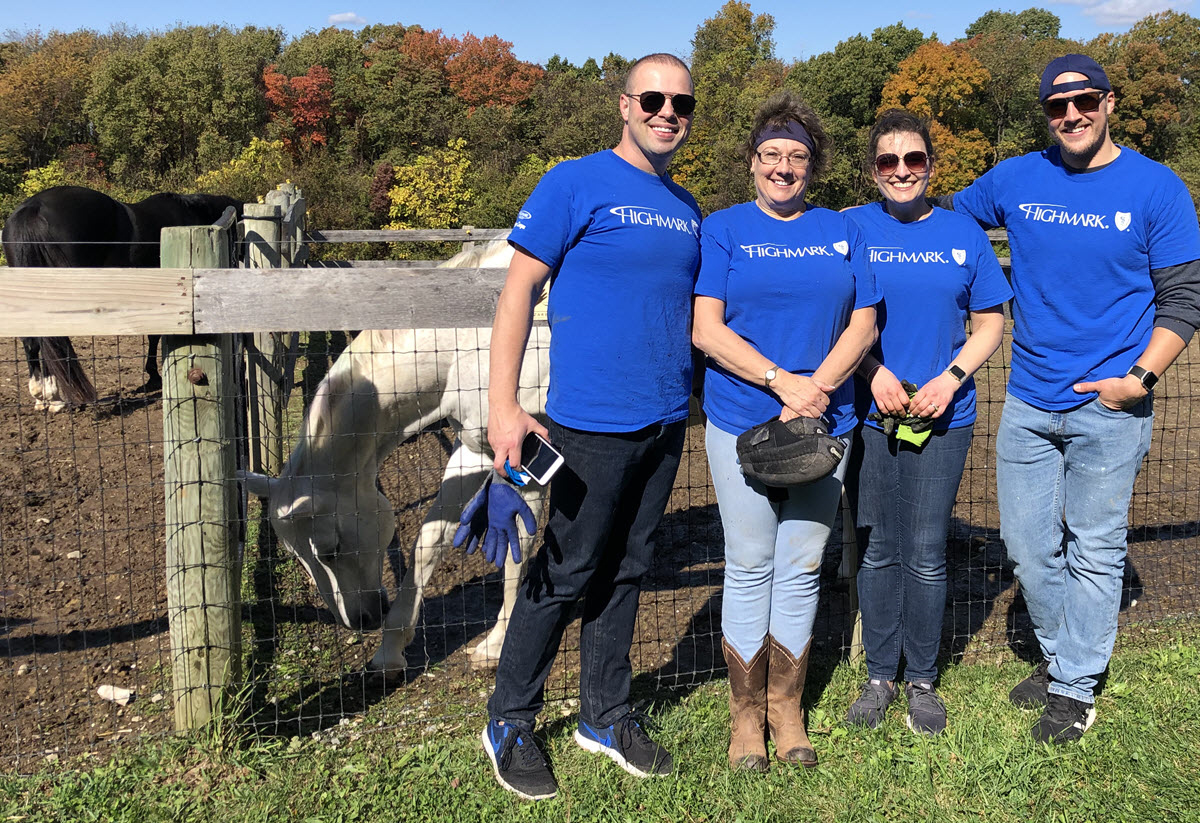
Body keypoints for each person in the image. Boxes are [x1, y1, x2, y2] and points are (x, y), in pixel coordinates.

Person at [943, 54, 1200, 743]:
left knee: (1094, 545)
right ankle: (1064, 658)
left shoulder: (1157, 189)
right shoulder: (1018, 177)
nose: (1072, 116)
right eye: (1058, 107)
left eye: (1084, 101)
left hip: (1109, 405)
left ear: (1109, 102)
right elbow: (945, 223)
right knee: (1028, 547)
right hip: (1028, 398)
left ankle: (1076, 685)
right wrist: (870, 219)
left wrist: (1138, 380)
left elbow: (1184, 299)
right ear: (1046, 115)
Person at [481, 53, 702, 800]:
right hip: (589, 424)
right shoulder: (572, 182)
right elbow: (516, 295)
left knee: (628, 569)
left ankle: (605, 714)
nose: (667, 111)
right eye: (653, 98)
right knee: (566, 572)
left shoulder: (687, 205)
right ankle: (510, 717)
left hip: (667, 422)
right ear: (624, 104)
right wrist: (503, 406)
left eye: (681, 103)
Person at [692, 91, 880, 771]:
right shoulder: (724, 229)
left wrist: (817, 388)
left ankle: (786, 706)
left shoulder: (843, 229)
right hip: (743, 420)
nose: (783, 166)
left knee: (802, 565)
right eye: (771, 154)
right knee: (748, 563)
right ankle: (745, 717)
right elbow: (705, 328)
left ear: (813, 166)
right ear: (751, 163)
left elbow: (865, 322)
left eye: (797, 156)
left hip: (825, 420)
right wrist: (782, 382)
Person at [842, 110, 1012, 735]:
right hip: (871, 413)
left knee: (926, 551)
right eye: (888, 161)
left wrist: (951, 379)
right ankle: (880, 674)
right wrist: (872, 373)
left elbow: (991, 321)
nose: (902, 172)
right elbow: (836, 320)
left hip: (946, 416)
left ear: (931, 167)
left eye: (914, 160)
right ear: (873, 170)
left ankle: (922, 681)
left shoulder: (963, 234)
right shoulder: (849, 228)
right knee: (879, 548)